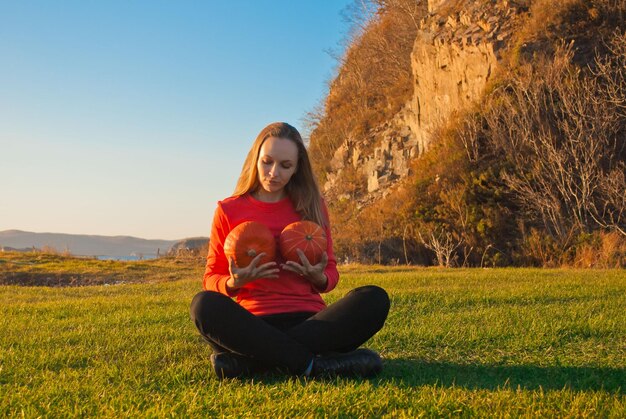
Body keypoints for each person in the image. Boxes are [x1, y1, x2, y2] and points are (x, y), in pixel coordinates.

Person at [190, 122, 390, 379]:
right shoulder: (228, 209)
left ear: (297, 169)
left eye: (285, 166)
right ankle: (313, 366)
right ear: (255, 160)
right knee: (203, 305)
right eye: (267, 162)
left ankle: (253, 363)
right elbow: (210, 277)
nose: (273, 173)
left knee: (374, 299)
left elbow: (330, 272)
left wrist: (317, 277)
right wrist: (234, 282)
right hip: (253, 324)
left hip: (310, 321)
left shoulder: (313, 206)